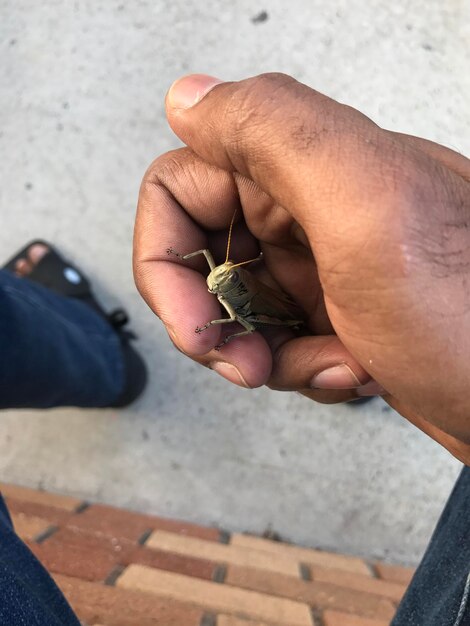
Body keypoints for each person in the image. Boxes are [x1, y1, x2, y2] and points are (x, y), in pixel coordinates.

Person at [133, 73, 470, 625]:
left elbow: (232, 288)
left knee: (261, 322)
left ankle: (369, 357)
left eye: (219, 268)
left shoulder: (231, 270)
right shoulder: (222, 278)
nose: (217, 272)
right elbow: (225, 290)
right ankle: (372, 355)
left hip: (265, 313)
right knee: (244, 321)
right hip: (254, 315)